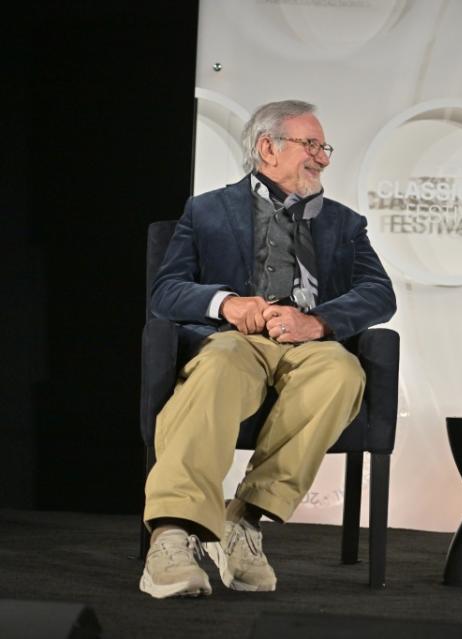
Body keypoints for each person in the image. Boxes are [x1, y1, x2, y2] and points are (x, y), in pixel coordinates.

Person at [140, 100, 396, 599]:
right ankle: (172, 534)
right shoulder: (208, 211)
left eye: (324, 148)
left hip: (306, 344)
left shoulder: (345, 224)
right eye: (311, 146)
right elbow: (165, 291)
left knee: (342, 375)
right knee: (216, 369)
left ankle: (244, 519)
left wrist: (317, 321)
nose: (322, 158)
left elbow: (379, 293)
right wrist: (226, 304)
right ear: (267, 147)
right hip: (234, 339)